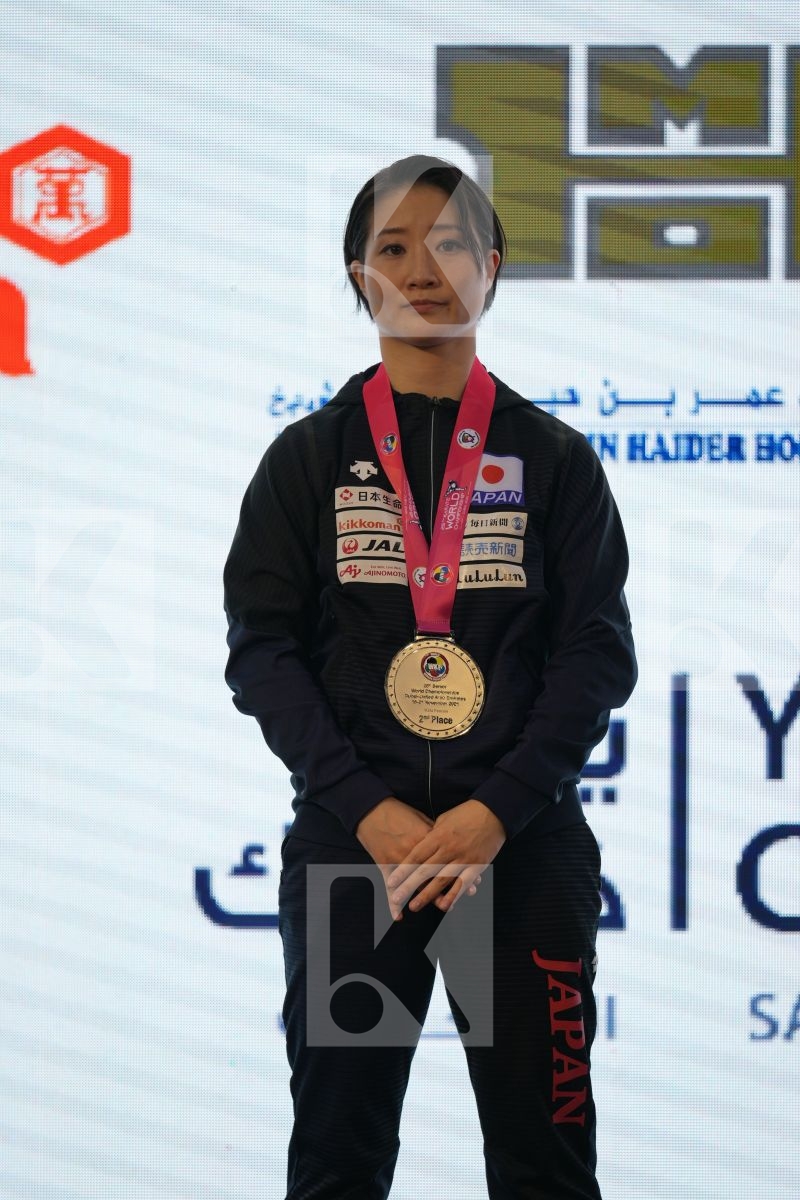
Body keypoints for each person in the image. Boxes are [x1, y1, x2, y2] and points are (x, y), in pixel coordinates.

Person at [223, 154, 637, 1200]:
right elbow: (261, 652)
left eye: (449, 243)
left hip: (520, 851)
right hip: (359, 856)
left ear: (490, 268)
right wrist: (366, 811)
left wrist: (494, 812)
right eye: (391, 249)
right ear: (357, 276)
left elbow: (595, 655)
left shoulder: (553, 461)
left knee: (545, 1164)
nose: (421, 268)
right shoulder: (304, 462)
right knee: (337, 1159)